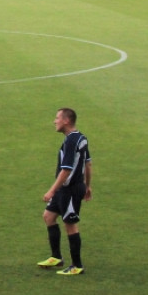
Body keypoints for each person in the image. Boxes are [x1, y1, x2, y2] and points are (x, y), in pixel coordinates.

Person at [38, 107, 92, 276]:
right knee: (48, 216)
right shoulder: (80, 138)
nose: (55, 121)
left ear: (66, 121)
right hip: (67, 189)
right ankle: (56, 257)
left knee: (70, 224)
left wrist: (51, 191)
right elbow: (88, 164)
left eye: (57, 118)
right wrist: (88, 186)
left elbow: (66, 170)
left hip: (70, 189)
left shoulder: (70, 141)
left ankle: (77, 265)